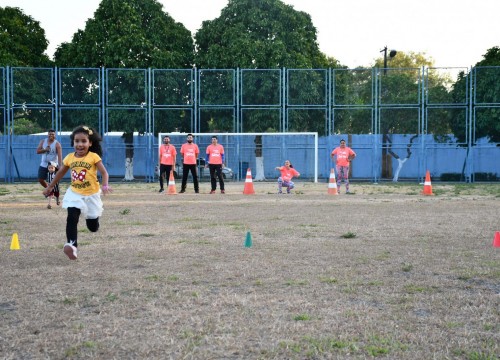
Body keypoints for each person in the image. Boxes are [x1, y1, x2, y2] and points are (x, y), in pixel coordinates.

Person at [43, 125, 112, 260]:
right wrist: (50, 186)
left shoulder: (93, 157)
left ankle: (93, 222)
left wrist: (105, 185)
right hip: (75, 193)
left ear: (90, 143)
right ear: (73, 143)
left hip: (91, 194)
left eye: (83, 141)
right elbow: (60, 173)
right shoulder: (69, 158)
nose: (80, 144)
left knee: (92, 227)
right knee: (72, 217)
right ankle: (72, 245)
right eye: (77, 141)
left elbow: (104, 172)